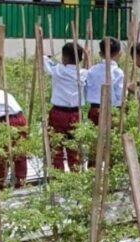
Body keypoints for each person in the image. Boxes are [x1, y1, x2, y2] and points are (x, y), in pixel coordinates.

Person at [43, 42, 87, 171]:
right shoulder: (83, 73)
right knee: (74, 146)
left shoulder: (58, 70)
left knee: (56, 147)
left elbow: (43, 59)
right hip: (76, 114)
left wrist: (41, 41)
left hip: (58, 113)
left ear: (64, 58)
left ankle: (59, 176)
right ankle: (75, 174)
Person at [85, 37, 124, 125]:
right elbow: (121, 96)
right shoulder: (117, 72)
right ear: (120, 54)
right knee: (111, 136)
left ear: (100, 54)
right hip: (112, 111)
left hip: (94, 110)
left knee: (93, 136)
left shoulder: (92, 70)